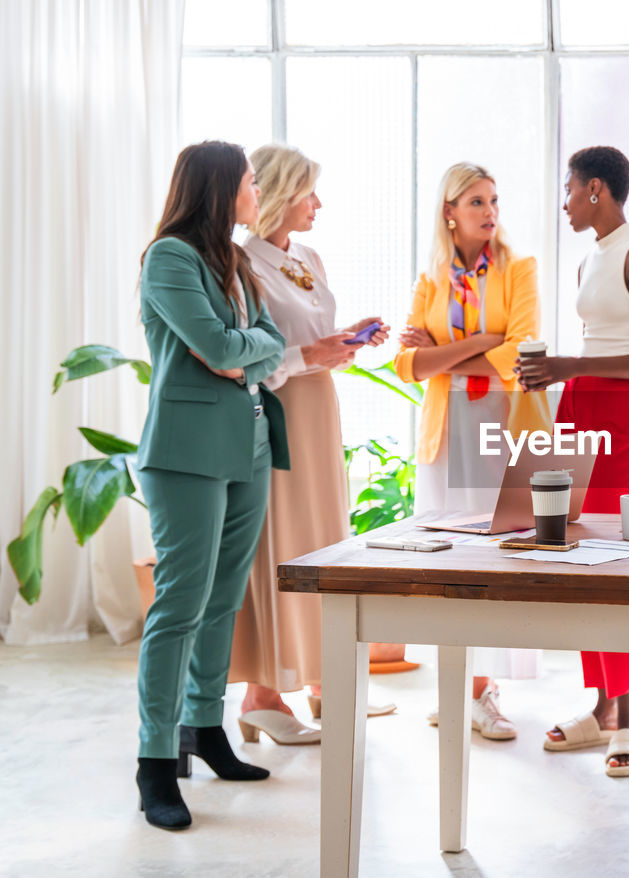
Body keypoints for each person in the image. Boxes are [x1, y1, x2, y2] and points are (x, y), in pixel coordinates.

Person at [134, 141, 289, 829]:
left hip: (250, 444)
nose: (258, 194)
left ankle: (205, 728)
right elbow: (226, 348)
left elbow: (269, 342)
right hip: (187, 453)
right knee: (181, 606)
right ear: (222, 188)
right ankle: (155, 762)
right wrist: (243, 351)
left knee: (224, 600)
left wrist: (244, 352)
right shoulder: (170, 258)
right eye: (251, 183)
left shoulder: (237, 262)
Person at [227, 143, 391, 747]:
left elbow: (312, 341)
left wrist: (344, 343)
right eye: (307, 192)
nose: (318, 204)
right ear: (272, 195)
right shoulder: (241, 264)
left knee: (326, 537)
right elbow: (245, 361)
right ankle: (264, 692)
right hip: (277, 412)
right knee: (285, 543)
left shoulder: (310, 257)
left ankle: (322, 680)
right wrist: (309, 356)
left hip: (320, 408)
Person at [517, 146, 629, 777]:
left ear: (597, 190)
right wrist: (555, 378)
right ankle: (603, 705)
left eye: (571, 188)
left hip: (628, 409)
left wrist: (568, 367)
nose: (566, 200)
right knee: (571, 545)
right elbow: (596, 343)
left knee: (607, 556)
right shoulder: (591, 258)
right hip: (580, 402)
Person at [394, 161, 548, 740]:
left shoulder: (519, 268)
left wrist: (449, 350)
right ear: (449, 212)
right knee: (447, 552)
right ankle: (459, 686)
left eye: (494, 200)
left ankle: (487, 693)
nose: (490, 213)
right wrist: (483, 342)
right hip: (444, 426)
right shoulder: (431, 276)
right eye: (477, 202)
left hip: (498, 422)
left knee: (499, 551)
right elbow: (406, 364)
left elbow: (523, 351)